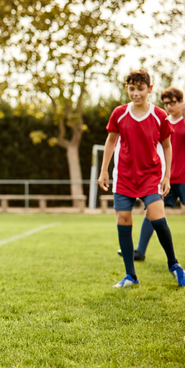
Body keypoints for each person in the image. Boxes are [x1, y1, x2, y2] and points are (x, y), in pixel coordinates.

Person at [98, 69, 185, 288]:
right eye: (132, 89)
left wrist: (167, 175)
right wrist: (104, 170)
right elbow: (110, 141)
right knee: (123, 221)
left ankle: (174, 265)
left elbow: (166, 146)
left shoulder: (159, 115)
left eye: (141, 89)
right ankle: (131, 276)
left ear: (150, 89)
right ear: (127, 88)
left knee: (157, 218)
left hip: (150, 175)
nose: (136, 93)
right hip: (124, 176)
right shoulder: (119, 113)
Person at [116, 87, 185, 261]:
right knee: (151, 213)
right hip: (163, 178)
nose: (169, 106)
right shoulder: (159, 120)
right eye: (166, 103)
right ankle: (140, 251)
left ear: (182, 102)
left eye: (173, 102)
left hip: (183, 178)